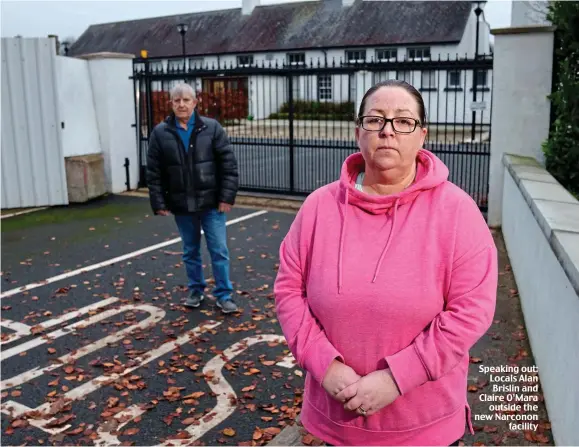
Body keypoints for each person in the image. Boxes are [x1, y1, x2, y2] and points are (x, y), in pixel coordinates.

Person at [274, 80, 498, 446]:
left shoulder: (457, 212)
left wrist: (398, 377)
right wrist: (324, 365)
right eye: (375, 119)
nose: (388, 130)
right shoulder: (318, 208)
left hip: (424, 429)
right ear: (357, 132)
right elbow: (288, 290)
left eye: (403, 121)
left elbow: (471, 310)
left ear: (422, 135)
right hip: (334, 422)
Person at [146, 83, 240, 314]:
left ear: (195, 102)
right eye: (177, 100)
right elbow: (154, 172)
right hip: (182, 204)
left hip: (212, 204)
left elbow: (228, 166)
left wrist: (226, 197)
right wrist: (159, 202)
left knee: (218, 250)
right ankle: (196, 291)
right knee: (190, 251)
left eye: (186, 100)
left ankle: (224, 295)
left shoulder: (212, 128)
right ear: (171, 104)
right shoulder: (160, 133)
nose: (181, 104)